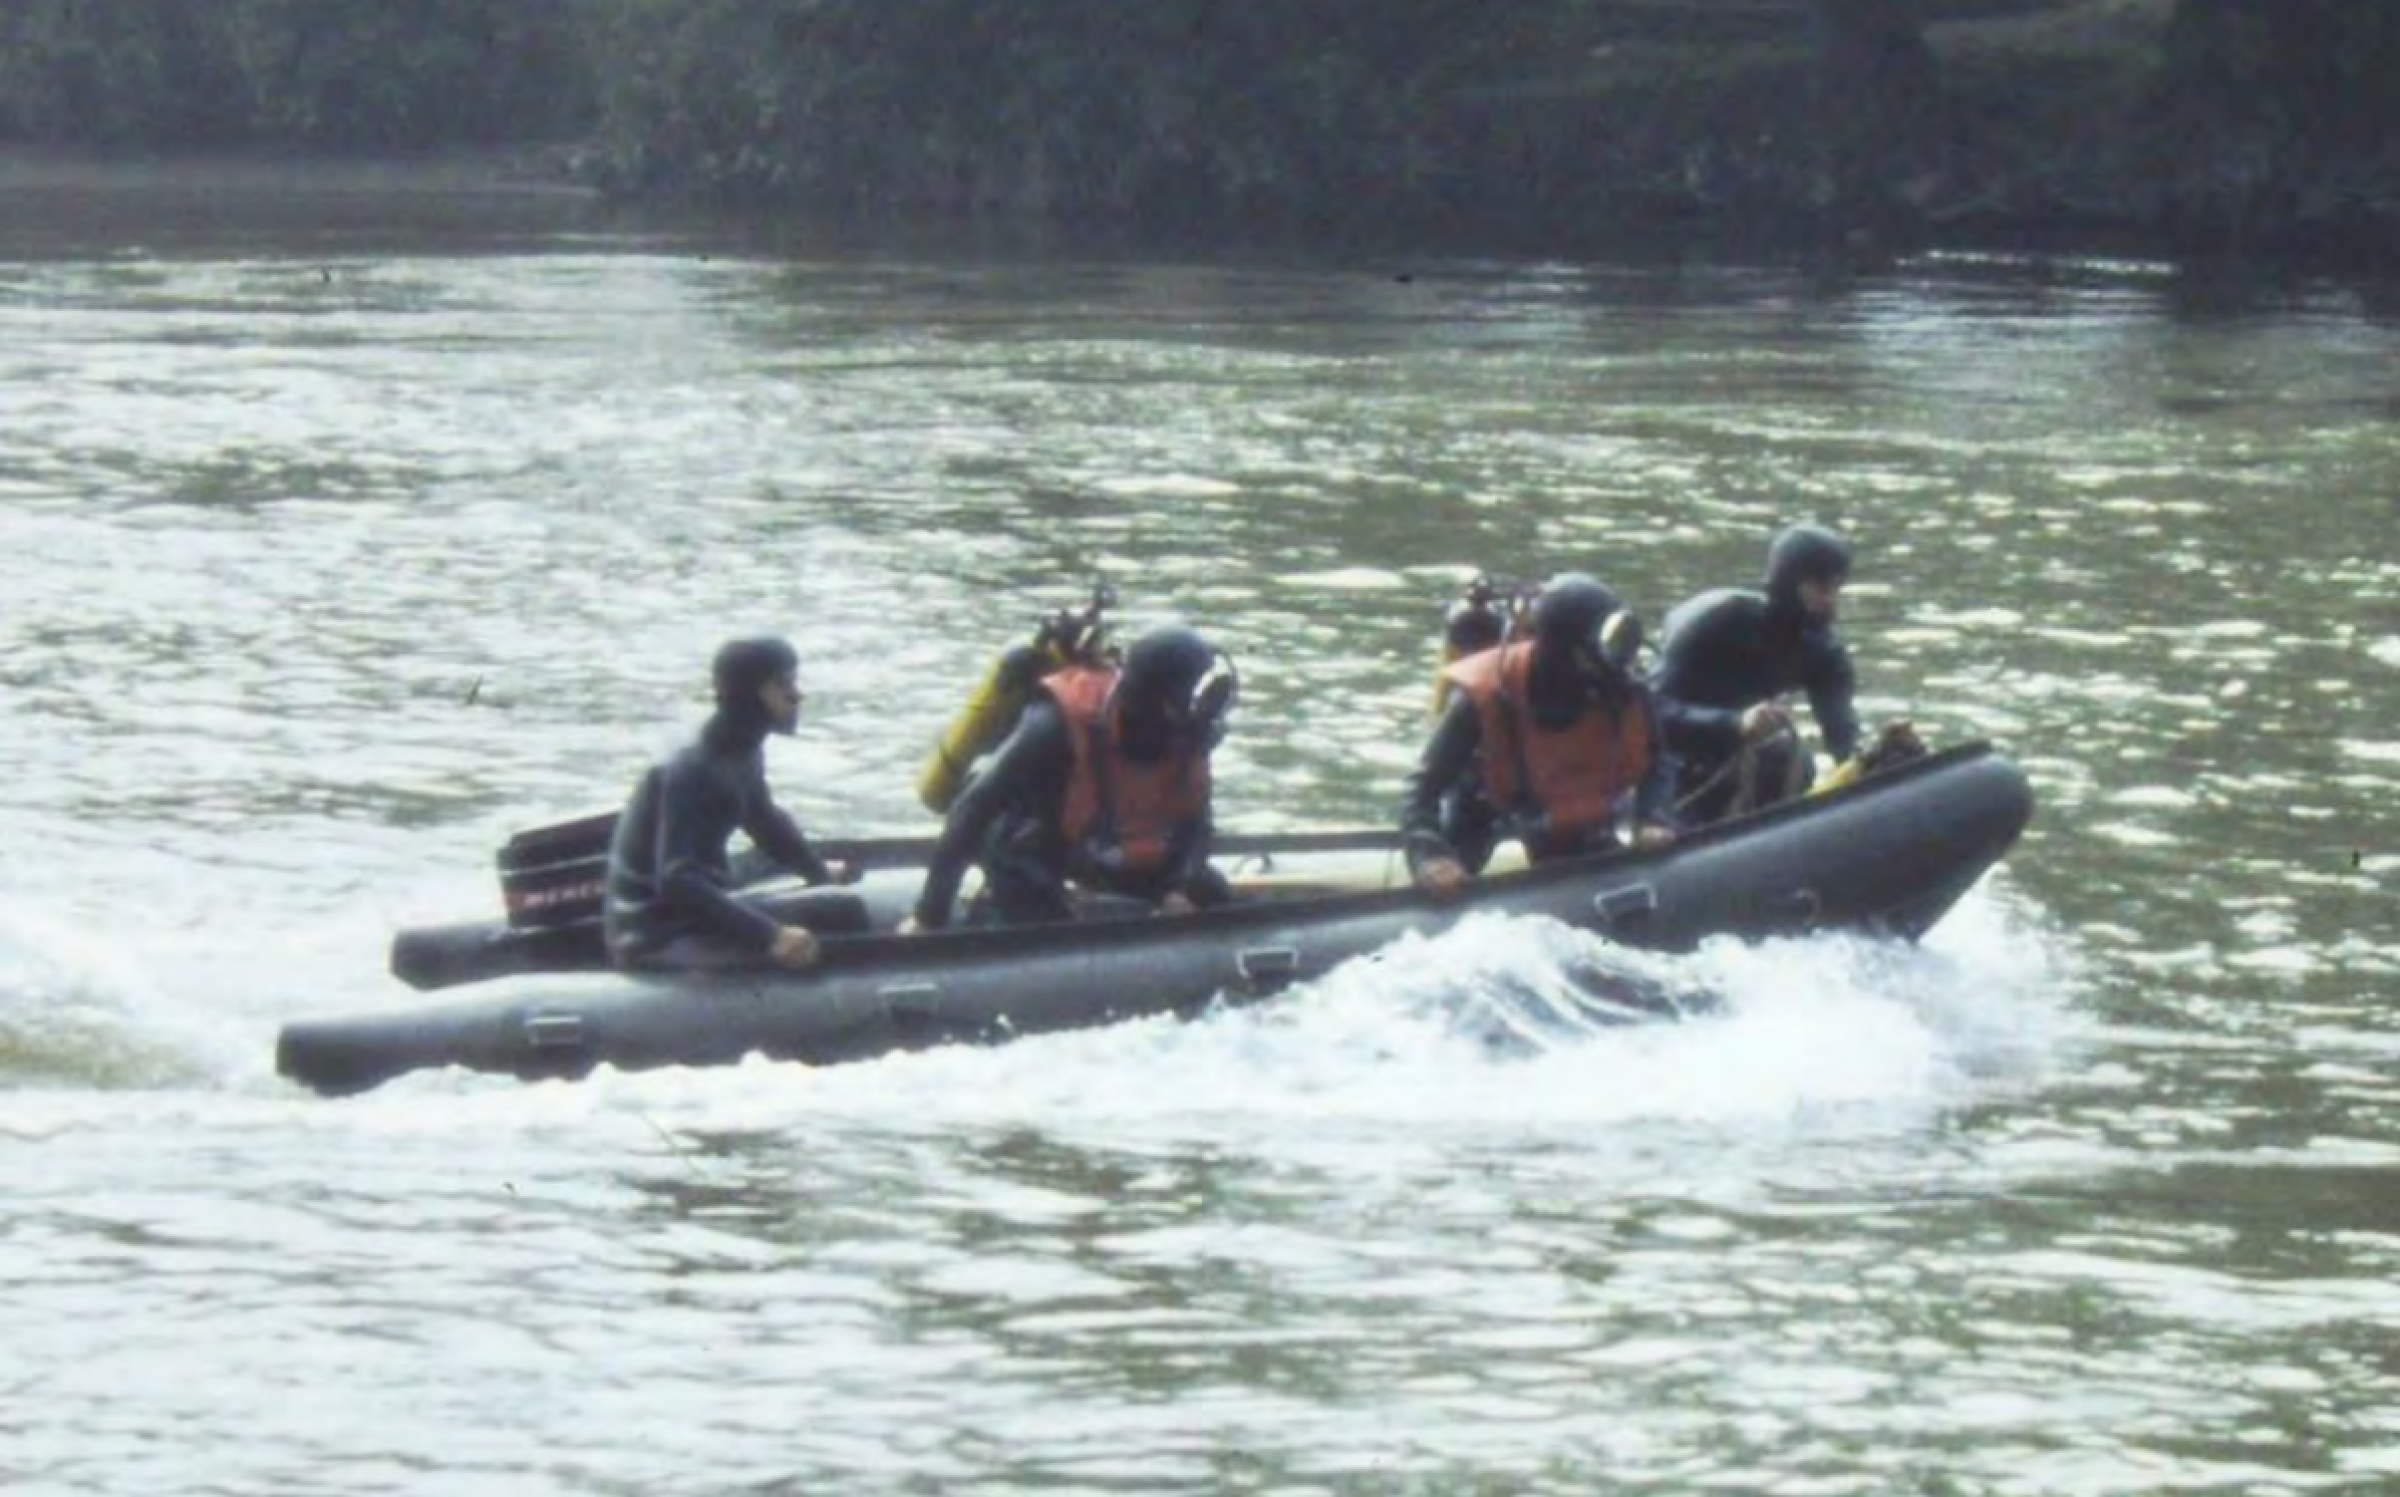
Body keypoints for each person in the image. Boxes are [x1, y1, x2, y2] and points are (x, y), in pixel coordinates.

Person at [902, 624, 1238, 931]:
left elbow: (1197, 826)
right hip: (1037, 852)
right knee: (1030, 901)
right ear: (1162, 704)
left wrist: (1181, 888)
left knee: (1213, 894)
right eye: (1197, 699)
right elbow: (971, 809)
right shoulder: (1056, 724)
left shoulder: (1189, 736)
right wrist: (929, 916)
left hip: (1110, 853)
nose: (1208, 714)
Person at [1403, 573, 1679, 900]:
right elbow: (1423, 787)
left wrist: (1652, 817)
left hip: (1569, 815)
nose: (1616, 670)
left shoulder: (1627, 689)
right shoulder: (1486, 694)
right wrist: (1429, 856)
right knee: (1452, 866)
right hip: (1482, 802)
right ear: (1562, 651)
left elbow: (1658, 761)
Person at [603, 636, 853, 972]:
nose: (796, 695)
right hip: (653, 932)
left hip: (691, 904)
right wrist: (771, 936)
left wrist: (817, 872)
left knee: (837, 907)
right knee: (839, 918)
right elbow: (677, 880)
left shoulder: (740, 750)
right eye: (782, 685)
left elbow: (765, 821)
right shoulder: (692, 769)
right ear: (748, 696)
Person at [1649, 522, 1864, 825]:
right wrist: (1735, 725)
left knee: (1796, 762)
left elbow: (1841, 729)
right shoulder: (1714, 623)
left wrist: (1868, 761)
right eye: (1821, 587)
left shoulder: (1823, 651)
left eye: (1836, 588)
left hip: (1752, 762)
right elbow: (1652, 713)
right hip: (1681, 765)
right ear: (1792, 582)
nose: (1830, 601)